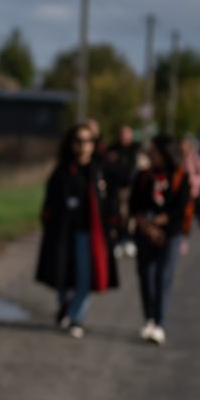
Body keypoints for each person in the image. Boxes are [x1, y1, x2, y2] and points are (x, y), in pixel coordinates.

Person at [35, 122, 118, 339]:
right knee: (63, 276)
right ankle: (65, 305)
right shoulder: (62, 171)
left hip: (89, 234)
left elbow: (112, 198)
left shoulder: (98, 171)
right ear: (72, 144)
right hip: (64, 234)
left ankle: (76, 317)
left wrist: (113, 223)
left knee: (85, 278)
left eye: (88, 141)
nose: (83, 146)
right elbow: (49, 204)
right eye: (79, 141)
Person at [129, 134, 191, 346]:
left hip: (170, 234)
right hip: (145, 233)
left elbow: (179, 209)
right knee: (147, 276)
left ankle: (160, 323)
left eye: (154, 152)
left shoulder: (180, 177)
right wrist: (148, 227)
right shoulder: (144, 177)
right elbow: (133, 206)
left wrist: (159, 225)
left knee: (163, 277)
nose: (151, 156)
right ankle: (149, 318)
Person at [104, 124, 140, 258]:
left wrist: (118, 173)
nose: (124, 137)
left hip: (129, 189)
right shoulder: (112, 150)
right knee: (115, 214)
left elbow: (130, 174)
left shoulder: (134, 151)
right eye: (122, 134)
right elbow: (107, 169)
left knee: (128, 215)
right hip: (114, 189)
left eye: (126, 134)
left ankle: (128, 239)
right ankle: (118, 240)